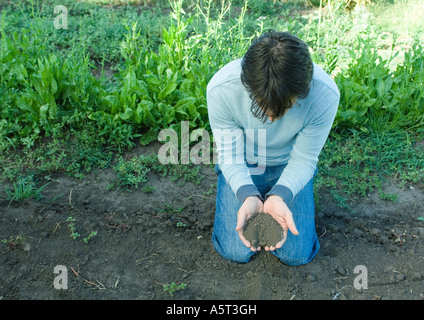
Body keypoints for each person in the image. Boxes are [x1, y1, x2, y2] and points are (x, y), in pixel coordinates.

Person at [207, 30, 340, 266]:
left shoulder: (325, 95)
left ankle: (278, 196)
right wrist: (247, 194)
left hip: (290, 164)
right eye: (261, 105)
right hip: (245, 163)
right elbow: (229, 155)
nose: (272, 118)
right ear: (247, 85)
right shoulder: (221, 89)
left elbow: (304, 159)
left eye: (285, 107)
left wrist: (281, 195)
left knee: (295, 256)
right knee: (235, 251)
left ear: (302, 91)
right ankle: (252, 195)